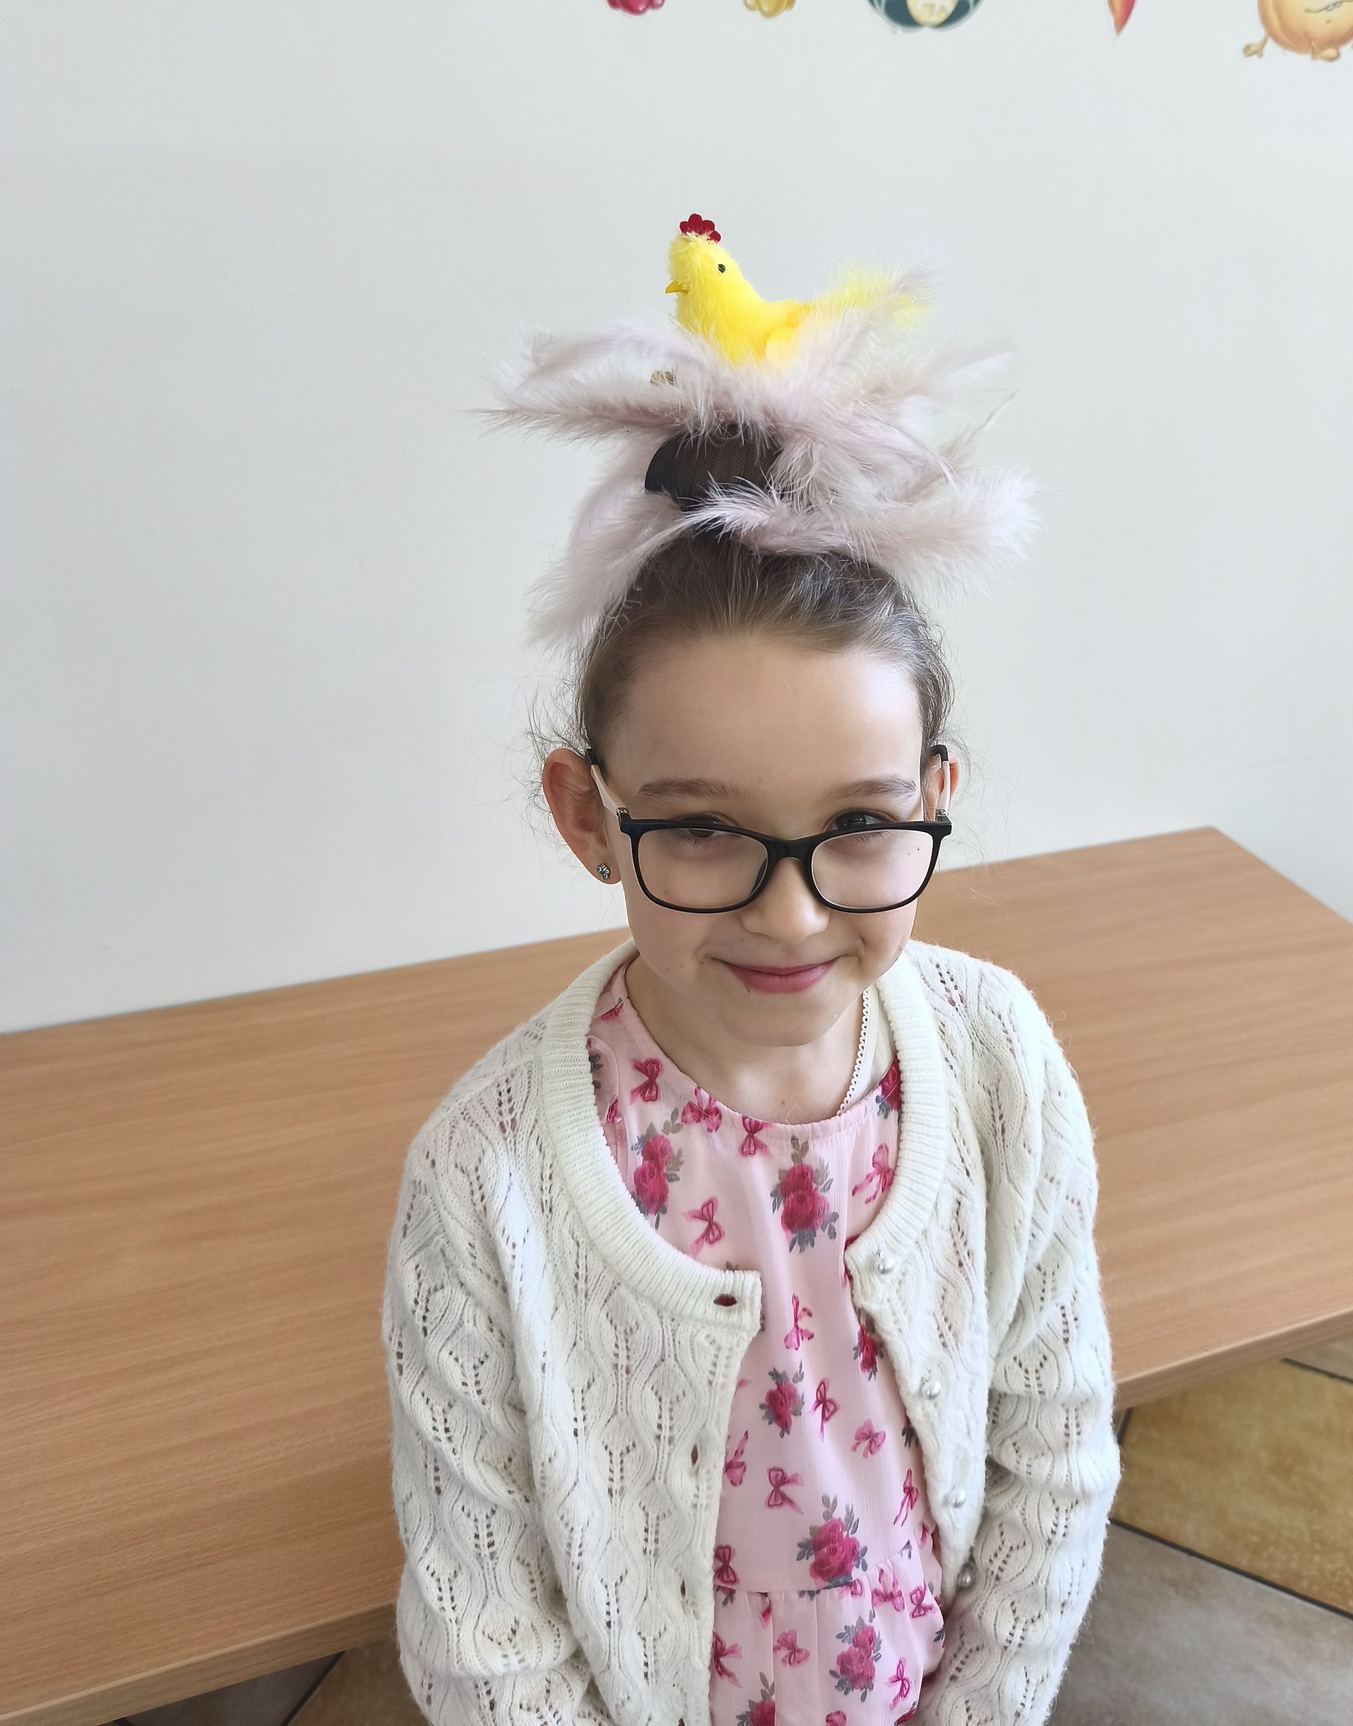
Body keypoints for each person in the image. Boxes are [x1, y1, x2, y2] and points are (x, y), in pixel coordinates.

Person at [380, 226, 1122, 1726]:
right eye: (706, 831)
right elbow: (484, 1631)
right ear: (590, 817)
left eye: (859, 827)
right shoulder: (482, 1178)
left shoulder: (996, 1061)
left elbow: (1054, 1452)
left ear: (934, 796)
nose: (790, 920)